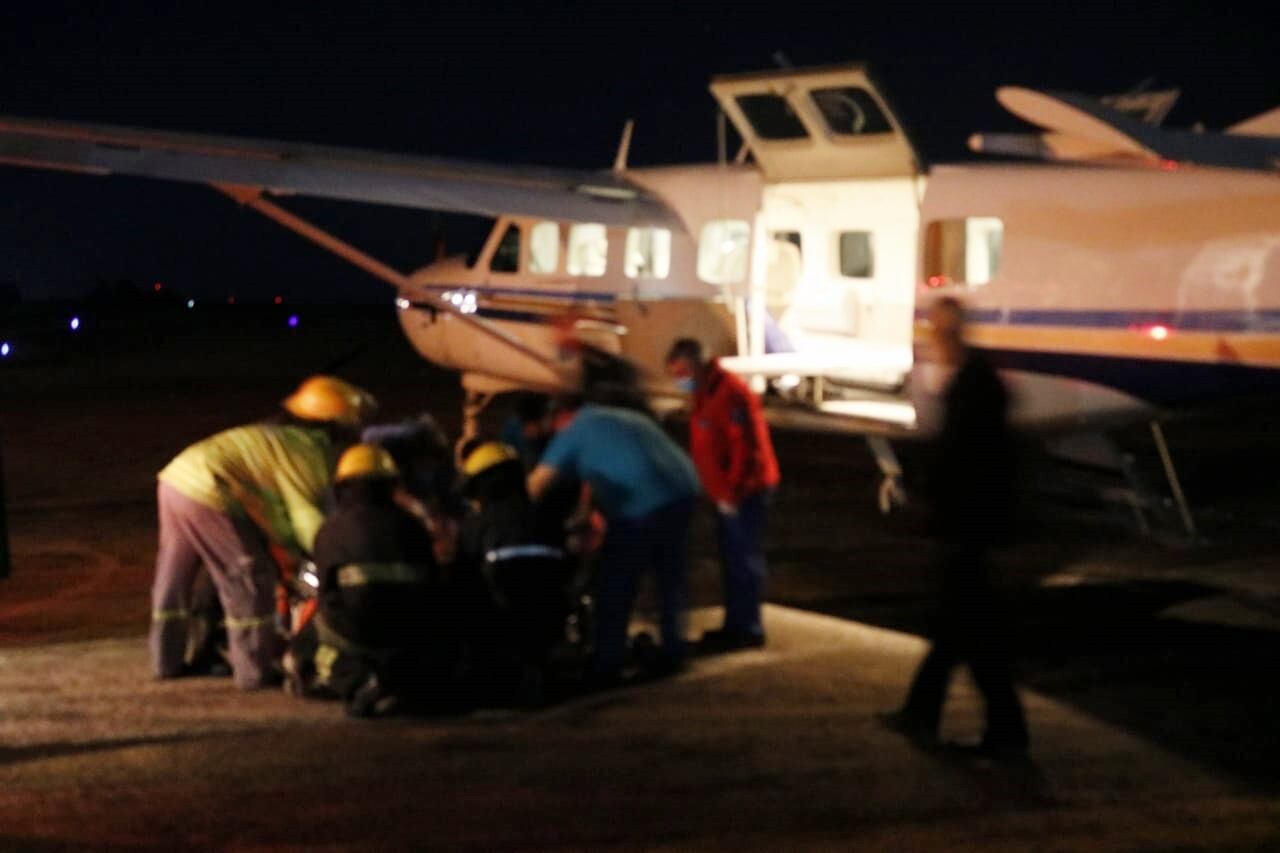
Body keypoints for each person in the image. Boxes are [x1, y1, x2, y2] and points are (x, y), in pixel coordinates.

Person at [150, 375, 375, 689]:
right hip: (209, 490)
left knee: (174, 576)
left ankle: (165, 661)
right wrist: (326, 554)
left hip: (176, 481)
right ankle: (254, 671)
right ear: (335, 424)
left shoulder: (275, 436)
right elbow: (302, 515)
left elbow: (271, 507)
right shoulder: (306, 451)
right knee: (248, 576)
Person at [880, 296, 1030, 759]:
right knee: (957, 628)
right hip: (969, 522)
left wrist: (933, 499)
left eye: (938, 332)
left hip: (968, 524)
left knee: (967, 631)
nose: (933, 341)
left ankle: (1002, 732)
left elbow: (966, 459)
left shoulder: (973, 386)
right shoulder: (975, 381)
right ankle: (924, 711)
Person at [527, 401, 700, 684]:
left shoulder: (573, 431)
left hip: (642, 503)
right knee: (670, 576)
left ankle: (608, 661)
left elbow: (538, 483)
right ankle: (673, 648)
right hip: (682, 490)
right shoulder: (619, 416)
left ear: (560, 418)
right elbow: (599, 476)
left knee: (615, 583)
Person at [284, 443, 440, 717]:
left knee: (308, 641)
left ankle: (358, 681)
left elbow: (327, 595)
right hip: (408, 632)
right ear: (391, 485)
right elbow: (432, 584)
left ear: (342, 487)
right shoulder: (413, 526)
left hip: (357, 633)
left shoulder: (331, 531)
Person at [665, 338, 780, 651]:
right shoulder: (706, 393)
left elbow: (746, 449)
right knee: (731, 560)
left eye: (683, 372)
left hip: (744, 492)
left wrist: (731, 492)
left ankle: (748, 628)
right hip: (726, 494)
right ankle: (735, 625)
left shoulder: (729, 394)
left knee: (743, 559)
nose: (680, 380)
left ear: (698, 366)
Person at [453, 441, 572, 703]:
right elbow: (567, 569)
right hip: (549, 623)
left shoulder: (478, 524)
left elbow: (461, 579)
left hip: (499, 629)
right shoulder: (546, 515)